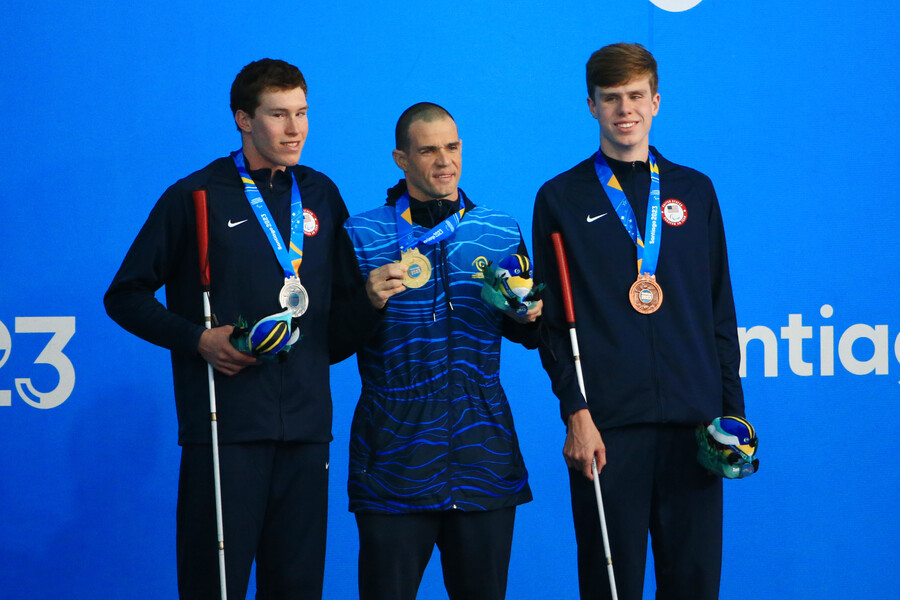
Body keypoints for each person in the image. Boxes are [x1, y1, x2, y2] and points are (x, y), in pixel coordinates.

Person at [104, 58, 385, 599]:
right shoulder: (197, 196)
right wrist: (196, 339)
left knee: (297, 589)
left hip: (306, 431)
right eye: (279, 114)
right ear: (243, 119)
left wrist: (372, 303)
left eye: (302, 113)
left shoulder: (321, 195)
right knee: (215, 588)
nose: (295, 129)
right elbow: (125, 296)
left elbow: (334, 337)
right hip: (225, 429)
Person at [532, 43, 746, 600]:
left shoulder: (695, 190)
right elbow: (552, 326)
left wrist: (733, 414)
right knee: (610, 588)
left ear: (656, 101)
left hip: (696, 428)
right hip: (607, 430)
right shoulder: (560, 197)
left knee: (694, 587)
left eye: (634, 96)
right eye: (611, 98)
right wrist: (576, 413)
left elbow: (720, 310)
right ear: (591, 106)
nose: (624, 109)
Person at [343, 102, 542, 600]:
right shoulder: (363, 235)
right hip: (394, 461)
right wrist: (367, 301)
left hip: (484, 457)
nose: (444, 161)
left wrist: (529, 318)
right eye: (428, 150)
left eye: (452, 147)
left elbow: (531, 333)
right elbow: (332, 342)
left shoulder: (499, 231)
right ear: (401, 160)